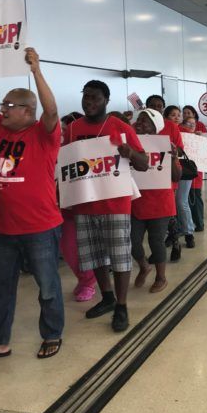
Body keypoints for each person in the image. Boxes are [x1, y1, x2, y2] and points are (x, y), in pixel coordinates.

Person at [0, 48, 65, 359]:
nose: (2, 109)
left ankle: (52, 334)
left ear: (28, 111)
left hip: (41, 228)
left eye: (9, 105)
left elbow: (53, 110)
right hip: (4, 230)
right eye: (3, 104)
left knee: (47, 287)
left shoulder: (44, 135)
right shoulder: (0, 127)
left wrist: (37, 71)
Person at [65, 80, 149, 333]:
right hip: (85, 203)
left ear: (106, 100)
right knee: (95, 256)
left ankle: (122, 306)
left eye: (95, 98)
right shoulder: (72, 129)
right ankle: (108, 297)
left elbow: (144, 163)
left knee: (120, 257)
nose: (89, 102)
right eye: (86, 97)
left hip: (115, 202)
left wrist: (130, 153)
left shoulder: (120, 128)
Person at [131, 109, 181, 294]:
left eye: (145, 121)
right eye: (139, 121)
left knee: (156, 241)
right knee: (132, 241)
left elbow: (177, 177)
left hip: (160, 202)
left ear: (155, 126)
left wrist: (174, 157)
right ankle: (144, 266)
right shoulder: (130, 144)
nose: (140, 124)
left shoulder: (166, 145)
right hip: (136, 201)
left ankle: (161, 277)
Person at [59, 112, 97, 303]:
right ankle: (86, 279)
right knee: (68, 248)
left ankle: (88, 281)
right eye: (61, 130)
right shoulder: (56, 149)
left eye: (65, 130)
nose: (62, 134)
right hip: (62, 209)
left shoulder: (89, 151)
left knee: (78, 249)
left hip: (85, 208)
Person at [164, 106, 195, 249]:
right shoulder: (160, 130)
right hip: (166, 171)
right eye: (172, 115)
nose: (176, 117)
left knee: (181, 201)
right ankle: (172, 233)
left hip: (184, 171)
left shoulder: (187, 131)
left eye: (178, 115)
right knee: (169, 204)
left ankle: (189, 233)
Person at [182, 105, 207, 231]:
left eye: (193, 123)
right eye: (184, 113)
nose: (191, 125)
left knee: (195, 198)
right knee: (185, 200)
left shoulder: (200, 134)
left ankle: (199, 223)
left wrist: (199, 137)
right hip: (184, 173)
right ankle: (188, 223)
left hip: (196, 171)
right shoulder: (180, 132)